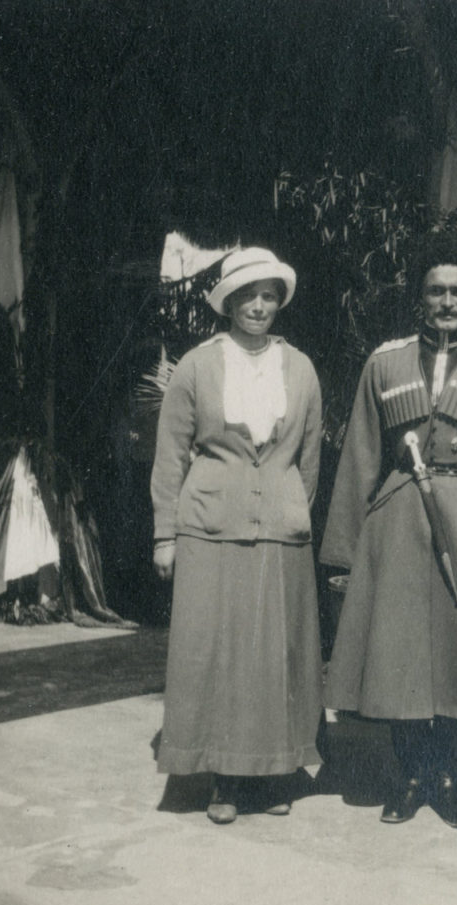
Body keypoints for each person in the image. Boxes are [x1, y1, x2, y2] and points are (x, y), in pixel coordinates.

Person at [320, 231, 457, 829]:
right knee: (402, 653)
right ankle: (411, 774)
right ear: (420, 296)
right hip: (397, 520)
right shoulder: (383, 363)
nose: (446, 301)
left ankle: (448, 776)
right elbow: (359, 455)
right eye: (436, 290)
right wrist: (342, 552)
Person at [151, 247, 323, 824]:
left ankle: (274, 774)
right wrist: (164, 536)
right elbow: (171, 454)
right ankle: (223, 779)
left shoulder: (299, 367)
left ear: (280, 300)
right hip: (209, 526)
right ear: (227, 302)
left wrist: (291, 508)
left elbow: (311, 457)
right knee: (218, 654)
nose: (258, 305)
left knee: (276, 654)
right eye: (247, 295)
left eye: (269, 294)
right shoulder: (198, 366)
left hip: (280, 526)